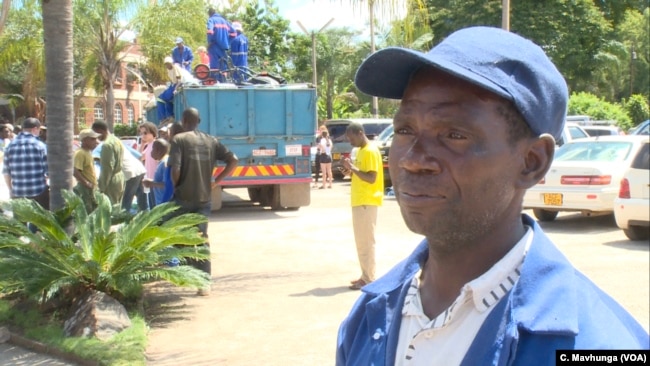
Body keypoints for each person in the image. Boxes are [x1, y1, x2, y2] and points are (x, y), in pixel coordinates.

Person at [336, 26, 649, 365]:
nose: (412, 159)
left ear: (532, 162)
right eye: (404, 130)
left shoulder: (594, 344)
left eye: (454, 135)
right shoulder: (370, 317)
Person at [168, 107, 239, 296]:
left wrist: (178, 185)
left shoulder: (178, 140)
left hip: (183, 198)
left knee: (176, 236)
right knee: (200, 238)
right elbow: (234, 160)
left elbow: (175, 170)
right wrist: (217, 182)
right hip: (203, 198)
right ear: (199, 120)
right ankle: (203, 282)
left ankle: (190, 276)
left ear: (184, 121)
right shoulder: (211, 141)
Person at [341, 122, 383, 290]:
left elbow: (371, 178)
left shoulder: (370, 151)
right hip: (360, 201)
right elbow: (361, 173)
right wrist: (349, 171)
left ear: (360, 133)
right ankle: (365, 275)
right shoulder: (361, 151)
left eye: (351, 138)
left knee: (366, 241)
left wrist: (353, 168)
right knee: (361, 241)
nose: (350, 142)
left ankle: (369, 278)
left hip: (367, 201)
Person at [2, 117, 49, 210]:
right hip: (38, 191)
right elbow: (48, 171)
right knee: (39, 222)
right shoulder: (40, 146)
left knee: (19, 223)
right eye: (39, 130)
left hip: (18, 192)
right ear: (35, 129)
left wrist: (11, 190)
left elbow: (6, 173)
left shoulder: (10, 146)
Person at [92, 120, 125, 206]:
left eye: (96, 134)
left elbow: (107, 168)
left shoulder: (107, 145)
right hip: (120, 177)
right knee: (117, 207)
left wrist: (101, 188)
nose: (96, 137)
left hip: (111, 181)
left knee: (109, 209)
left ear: (100, 131)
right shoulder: (117, 140)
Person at [73, 129, 101, 213]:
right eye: (92, 139)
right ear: (84, 140)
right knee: (88, 213)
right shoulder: (80, 153)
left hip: (92, 188)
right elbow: (75, 170)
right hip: (85, 188)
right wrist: (86, 183)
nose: (96, 141)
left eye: (96, 139)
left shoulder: (88, 152)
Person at [206, 7, 235, 81]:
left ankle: (215, 82)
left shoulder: (211, 20)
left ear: (210, 14)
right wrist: (228, 42)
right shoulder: (224, 21)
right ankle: (223, 82)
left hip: (214, 45)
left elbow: (210, 31)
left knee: (214, 66)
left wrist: (209, 43)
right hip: (224, 48)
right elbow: (234, 33)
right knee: (223, 67)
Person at [143, 139, 173, 206]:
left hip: (164, 204)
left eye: (153, 148)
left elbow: (167, 185)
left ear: (158, 151)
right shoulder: (162, 162)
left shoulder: (164, 163)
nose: (151, 152)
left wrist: (151, 183)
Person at [120, 140, 147, 213]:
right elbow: (138, 155)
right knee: (141, 196)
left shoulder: (102, 146)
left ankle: (124, 219)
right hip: (139, 168)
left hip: (130, 172)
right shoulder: (119, 143)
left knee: (126, 198)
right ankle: (145, 215)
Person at [138, 122, 158, 210]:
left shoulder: (156, 145)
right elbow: (139, 157)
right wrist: (142, 144)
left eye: (145, 133)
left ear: (152, 132)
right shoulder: (148, 145)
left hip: (156, 180)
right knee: (152, 205)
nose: (143, 135)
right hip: (149, 179)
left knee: (156, 206)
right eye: (141, 133)